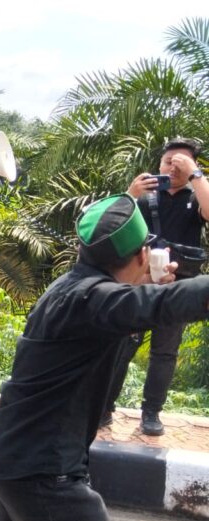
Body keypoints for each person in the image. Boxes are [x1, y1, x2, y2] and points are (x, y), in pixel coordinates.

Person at [0, 194, 206, 521]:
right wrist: (150, 293)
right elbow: (164, 304)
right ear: (143, 254)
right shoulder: (94, 300)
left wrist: (145, 287)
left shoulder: (70, 288)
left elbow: (126, 310)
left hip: (8, 455)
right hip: (43, 472)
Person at [105, 138, 209, 435]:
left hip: (178, 288)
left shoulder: (195, 197)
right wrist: (129, 194)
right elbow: (112, 225)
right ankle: (104, 408)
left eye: (181, 162)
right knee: (122, 346)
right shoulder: (145, 197)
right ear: (158, 165)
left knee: (165, 352)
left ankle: (151, 413)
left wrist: (195, 174)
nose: (173, 167)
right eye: (168, 161)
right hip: (140, 283)